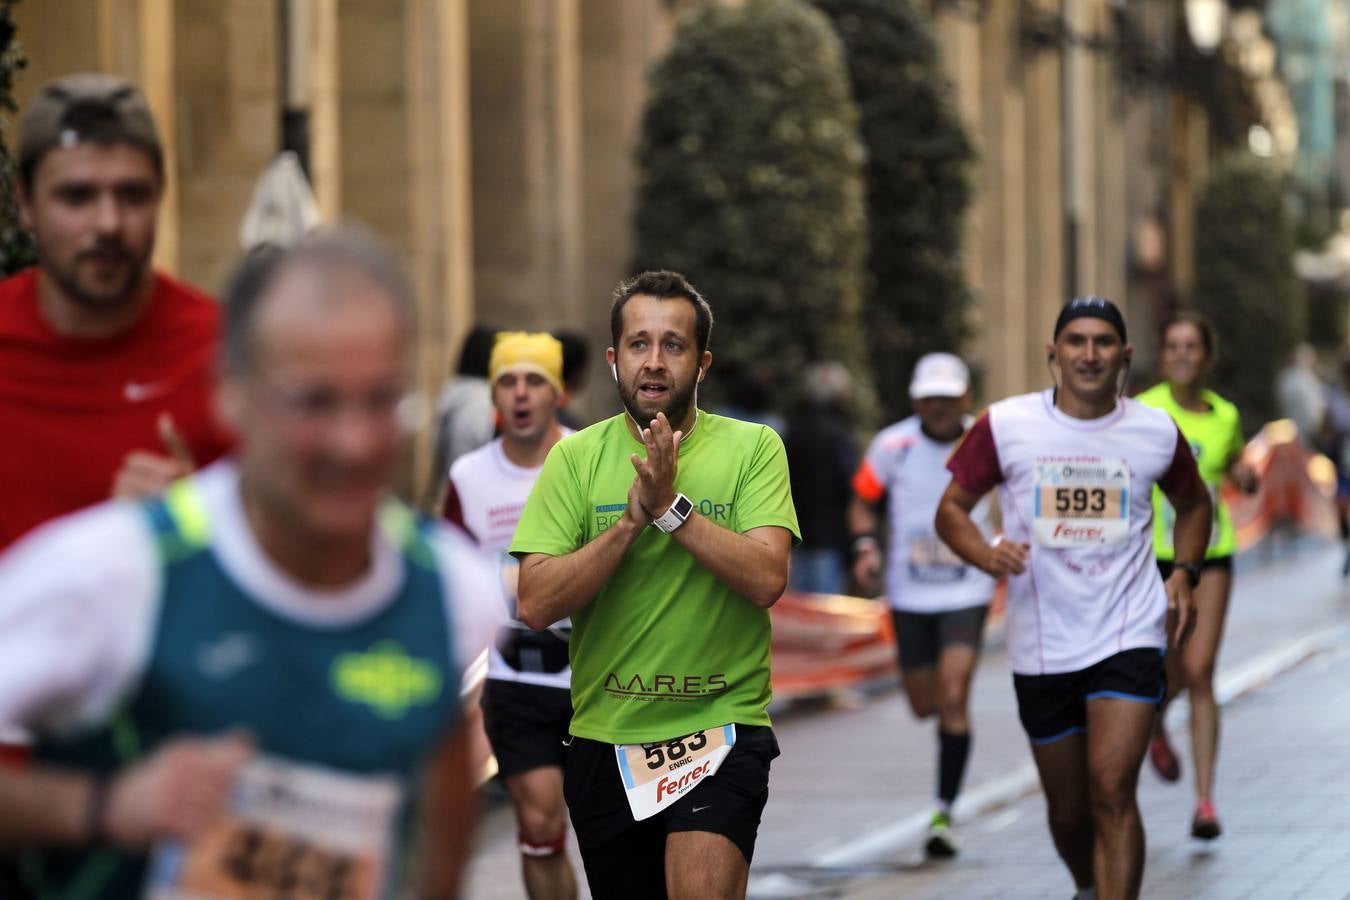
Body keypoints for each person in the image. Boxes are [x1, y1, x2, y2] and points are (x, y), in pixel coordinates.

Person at [0, 228, 503, 898]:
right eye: (314, 402)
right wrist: (106, 806)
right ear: (231, 394)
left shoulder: (452, 590)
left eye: (381, 400)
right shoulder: (113, 571)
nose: (354, 443)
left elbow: (436, 836)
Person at [510, 271, 798, 900]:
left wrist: (671, 509)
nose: (655, 362)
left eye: (674, 345)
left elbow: (766, 578)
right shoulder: (575, 459)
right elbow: (535, 602)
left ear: (703, 363)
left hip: (720, 729)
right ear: (615, 359)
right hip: (605, 739)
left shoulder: (753, 449)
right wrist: (631, 525)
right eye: (639, 344)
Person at [936, 297, 1211, 900]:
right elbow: (951, 510)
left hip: (1128, 629)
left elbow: (1195, 504)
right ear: (1053, 354)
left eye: (1104, 342)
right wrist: (986, 554)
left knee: (1112, 788)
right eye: (1077, 342)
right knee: (1069, 812)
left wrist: (1185, 572)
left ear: (1125, 355)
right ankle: (1088, 885)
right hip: (1042, 644)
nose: (1090, 354)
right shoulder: (1006, 425)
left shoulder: (1155, 430)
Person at [0, 72, 233, 552]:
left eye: (132, 195)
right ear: (25, 203)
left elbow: (303, 571)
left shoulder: (229, 356)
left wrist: (204, 523)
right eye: (77, 197)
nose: (108, 224)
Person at [444, 331, 577, 900]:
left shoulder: (592, 457)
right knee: (541, 827)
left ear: (559, 394)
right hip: (515, 679)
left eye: (534, 381)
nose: (520, 394)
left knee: (618, 834)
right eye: (507, 381)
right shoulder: (469, 477)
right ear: (493, 394)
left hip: (602, 676)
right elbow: (449, 571)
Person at [850, 352, 995, 858]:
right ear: (916, 400)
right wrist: (866, 546)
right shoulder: (893, 445)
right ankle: (947, 761)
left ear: (965, 398)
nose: (938, 407)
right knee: (923, 704)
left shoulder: (986, 440)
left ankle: (943, 812)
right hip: (909, 593)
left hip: (967, 588)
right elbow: (861, 498)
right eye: (929, 398)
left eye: (947, 398)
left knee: (953, 696)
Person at [1137, 313, 1257, 839]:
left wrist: (1243, 475)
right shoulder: (1142, 412)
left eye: (1192, 347)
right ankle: (1153, 724)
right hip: (1151, 558)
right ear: (1163, 357)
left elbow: (1231, 462)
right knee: (1168, 673)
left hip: (1210, 553)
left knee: (1201, 669)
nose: (1183, 355)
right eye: (1173, 346)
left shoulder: (1225, 415)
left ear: (1207, 357)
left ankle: (1205, 802)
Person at [784, 361, 857, 595]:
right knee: (826, 614)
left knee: (800, 613)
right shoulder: (839, 434)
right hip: (830, 539)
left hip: (795, 537)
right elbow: (850, 486)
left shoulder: (792, 430)